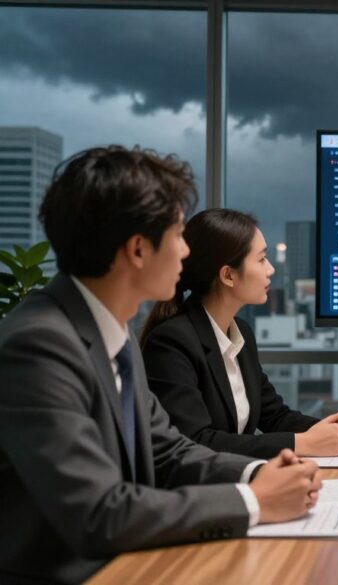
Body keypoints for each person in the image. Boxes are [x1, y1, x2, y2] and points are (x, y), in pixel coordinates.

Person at [0, 146, 321, 584]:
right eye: (178, 235)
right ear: (137, 250)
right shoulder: (38, 345)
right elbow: (98, 513)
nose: (187, 252)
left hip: (131, 562)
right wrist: (253, 501)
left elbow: (167, 450)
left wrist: (260, 473)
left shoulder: (113, 333)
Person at [141, 208, 338, 459]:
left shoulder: (240, 333)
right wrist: (301, 443)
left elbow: (274, 415)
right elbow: (195, 442)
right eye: (261, 260)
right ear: (228, 275)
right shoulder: (172, 342)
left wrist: (331, 431)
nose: (271, 270)